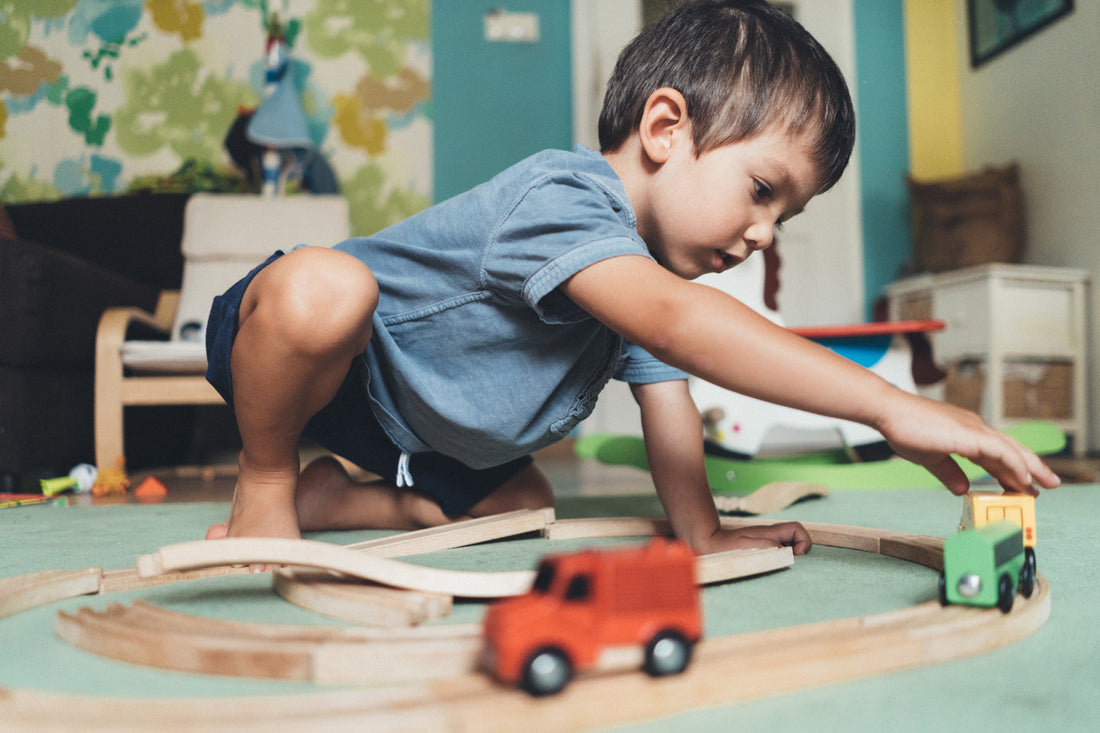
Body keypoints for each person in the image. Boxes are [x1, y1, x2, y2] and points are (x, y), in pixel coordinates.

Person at [203, 0, 1059, 560]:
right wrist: (886, 402)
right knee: (326, 286)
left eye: (784, 218)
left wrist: (703, 531)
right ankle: (270, 479)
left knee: (521, 506)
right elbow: (681, 325)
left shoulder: (640, 284)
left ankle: (335, 502)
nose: (764, 234)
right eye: (762, 191)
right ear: (663, 127)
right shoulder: (568, 196)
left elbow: (670, 410)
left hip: (412, 434)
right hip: (324, 358)